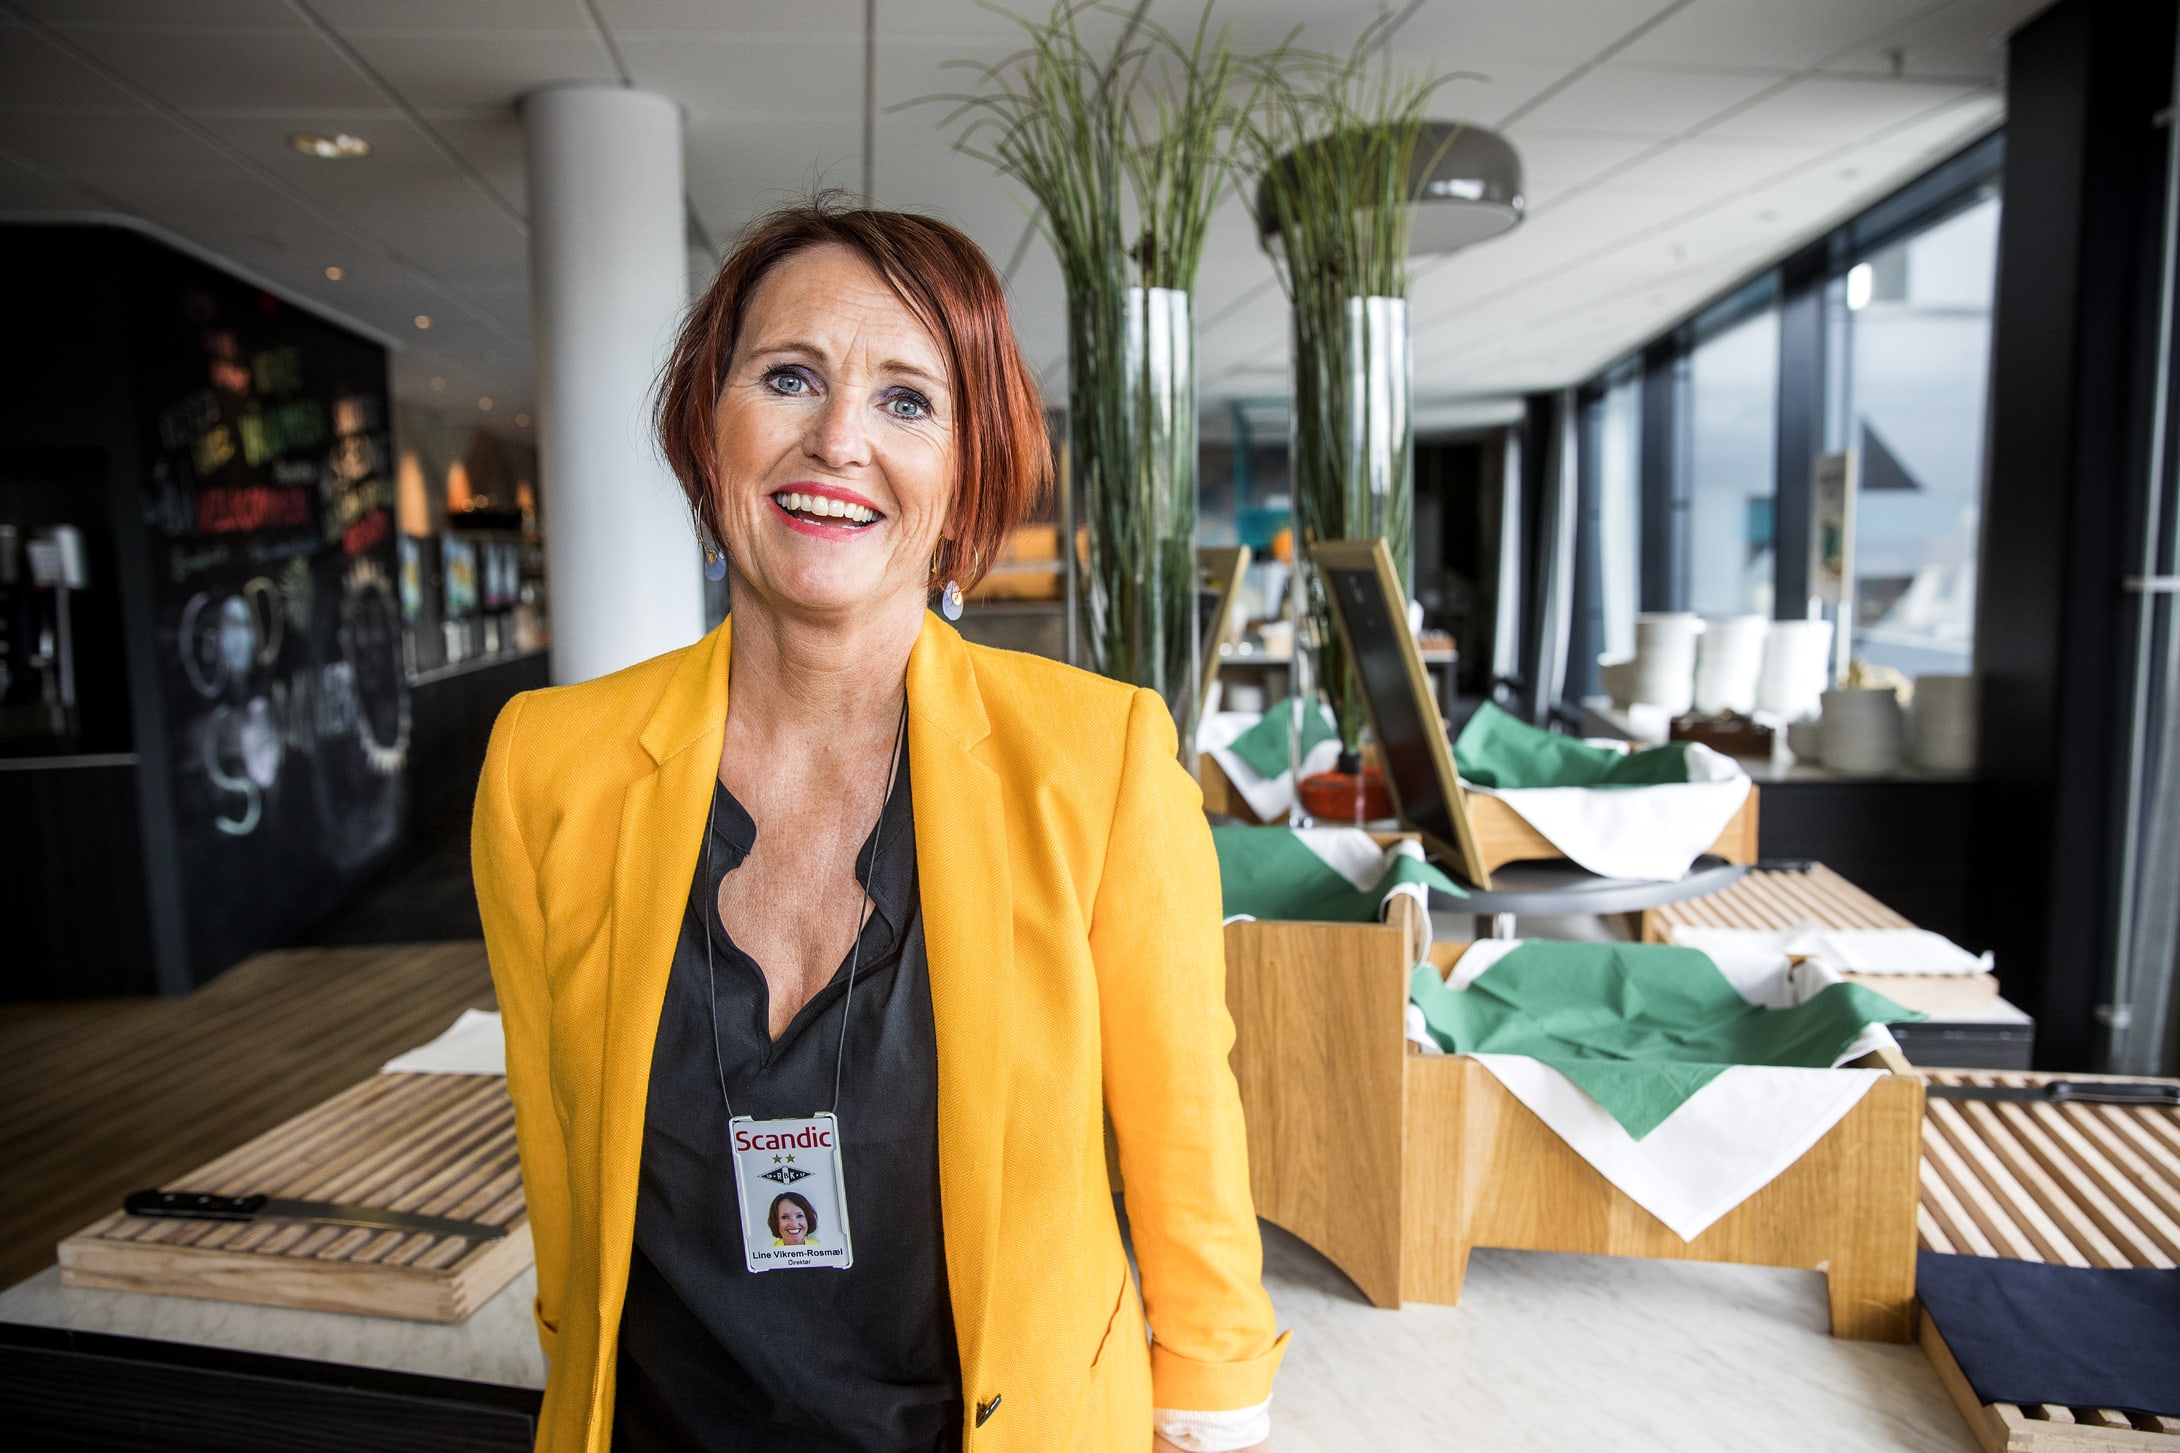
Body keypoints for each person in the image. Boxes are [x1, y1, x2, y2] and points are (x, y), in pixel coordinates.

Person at [474, 197, 1285, 1453]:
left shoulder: (1098, 761)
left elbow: (1185, 1135)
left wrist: (1215, 1404)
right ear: (706, 428)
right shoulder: (548, 765)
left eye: (907, 400)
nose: (837, 438)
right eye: (788, 378)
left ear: (965, 474)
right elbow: (558, 1145)